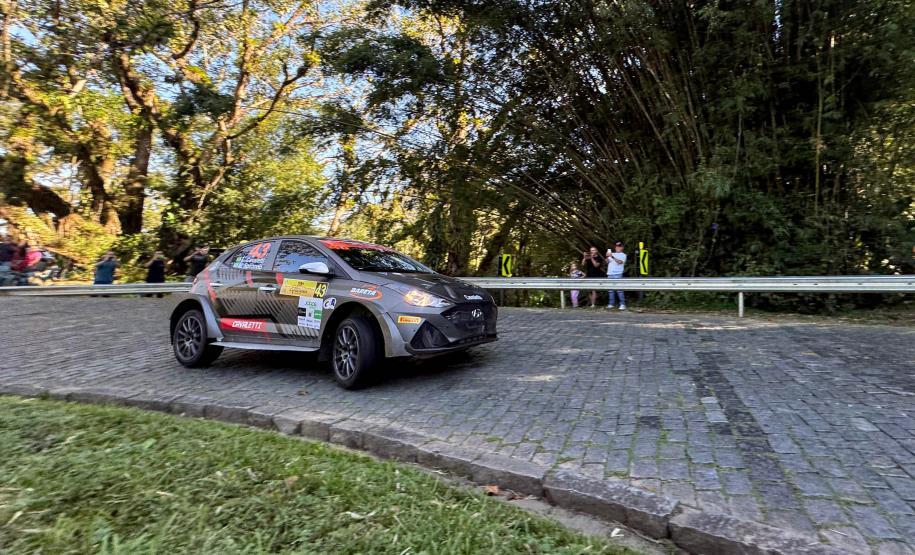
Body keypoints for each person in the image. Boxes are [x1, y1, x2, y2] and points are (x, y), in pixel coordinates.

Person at [606, 241, 627, 310]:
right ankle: (611, 304)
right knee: (610, 290)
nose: (618, 247)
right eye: (617, 246)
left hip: (618, 274)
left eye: (619, 246)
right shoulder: (612, 253)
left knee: (619, 290)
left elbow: (619, 262)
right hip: (610, 273)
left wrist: (612, 256)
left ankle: (622, 304)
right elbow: (607, 262)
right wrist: (607, 256)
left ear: (622, 248)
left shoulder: (623, 255)